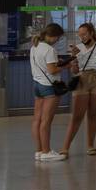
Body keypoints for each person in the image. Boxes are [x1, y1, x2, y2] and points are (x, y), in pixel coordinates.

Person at [58, 22, 96, 157]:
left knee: (93, 114)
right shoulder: (77, 48)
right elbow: (74, 70)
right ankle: (65, 147)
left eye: (84, 34)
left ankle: (90, 145)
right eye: (80, 35)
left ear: (91, 33)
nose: (82, 37)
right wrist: (73, 59)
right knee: (77, 115)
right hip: (82, 79)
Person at [31, 23, 67, 162]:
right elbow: (52, 70)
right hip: (49, 87)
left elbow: (45, 66)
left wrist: (57, 64)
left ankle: (39, 151)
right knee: (46, 121)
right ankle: (47, 152)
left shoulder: (35, 46)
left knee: (37, 120)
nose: (57, 40)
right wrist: (65, 66)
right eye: (58, 38)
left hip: (37, 85)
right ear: (53, 36)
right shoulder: (49, 50)